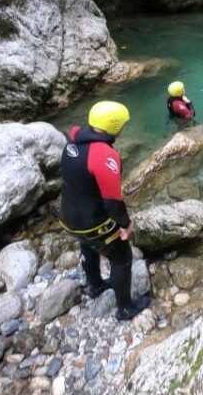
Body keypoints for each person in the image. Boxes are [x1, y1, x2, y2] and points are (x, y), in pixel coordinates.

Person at [58, 101, 150, 321]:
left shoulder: (74, 140)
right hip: (93, 221)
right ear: (115, 126)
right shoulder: (104, 156)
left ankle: (96, 285)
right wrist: (126, 225)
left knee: (87, 246)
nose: (123, 128)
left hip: (67, 214)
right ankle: (125, 308)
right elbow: (112, 202)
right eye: (122, 124)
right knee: (121, 258)